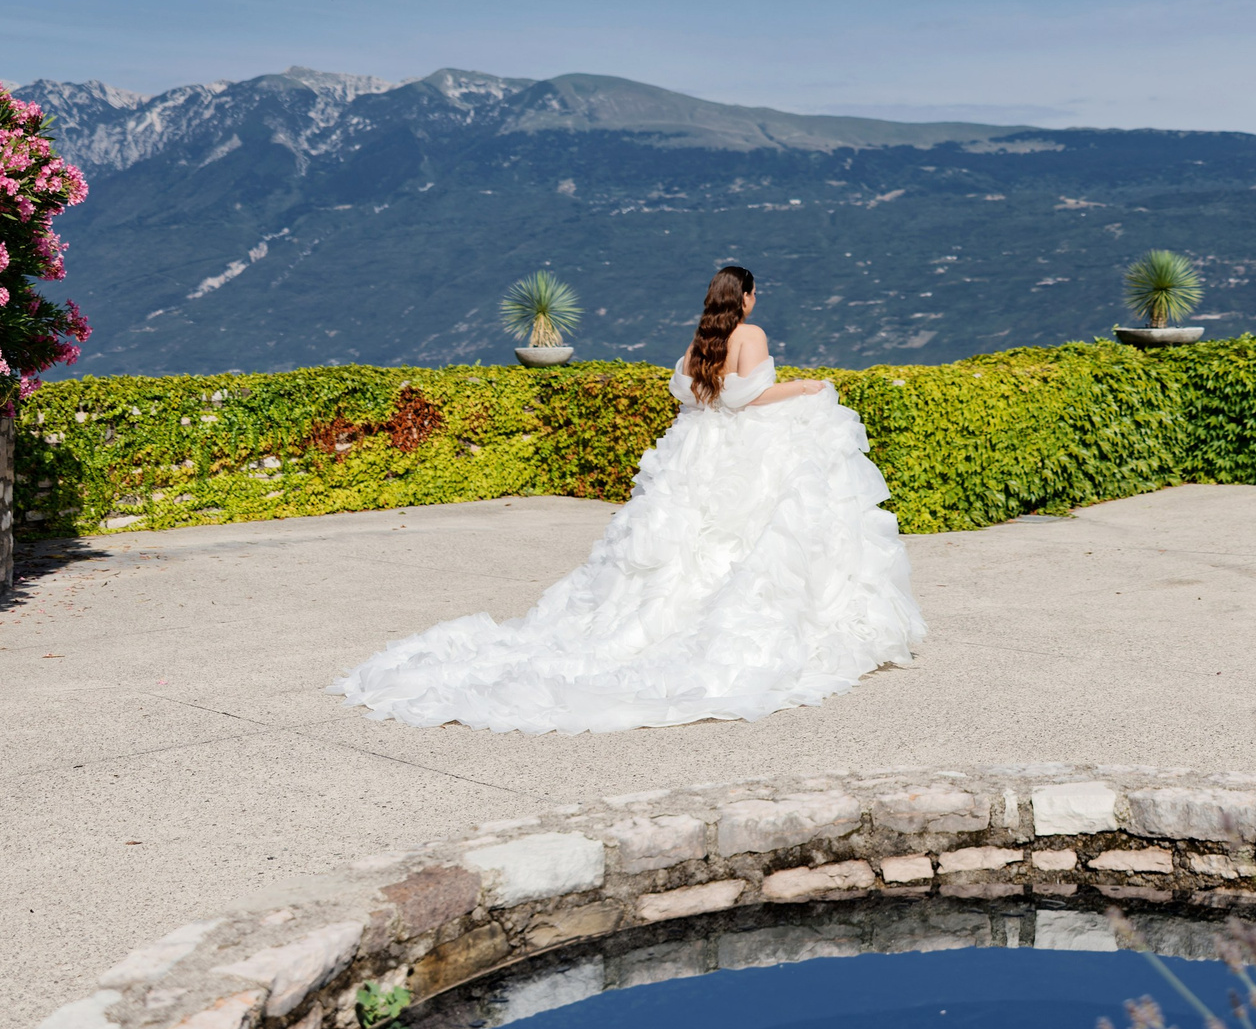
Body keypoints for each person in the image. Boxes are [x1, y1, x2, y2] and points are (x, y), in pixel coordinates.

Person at [330, 265, 926, 733]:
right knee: (755, 535)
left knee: (686, 545)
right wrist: (808, 385)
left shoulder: (701, 340)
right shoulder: (751, 334)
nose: (753, 302)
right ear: (743, 298)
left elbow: (695, 394)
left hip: (697, 450)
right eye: (753, 294)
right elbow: (751, 397)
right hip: (741, 451)